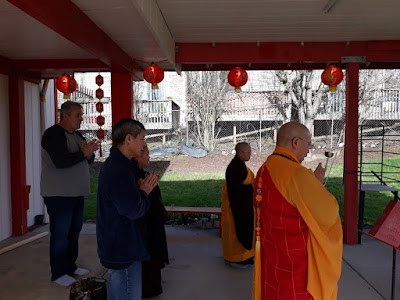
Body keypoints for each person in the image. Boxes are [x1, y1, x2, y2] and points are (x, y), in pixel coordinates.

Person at [253, 122, 343, 300]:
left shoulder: (265, 168)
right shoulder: (296, 174)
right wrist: (317, 187)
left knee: (274, 291)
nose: (308, 151)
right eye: (307, 145)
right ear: (295, 142)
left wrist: (313, 186)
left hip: (273, 251)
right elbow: (328, 213)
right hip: (297, 259)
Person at [96, 119, 158, 300]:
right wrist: (144, 192)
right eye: (142, 139)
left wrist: (138, 191)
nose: (144, 144)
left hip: (121, 243)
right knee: (127, 292)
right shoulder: (118, 170)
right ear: (129, 139)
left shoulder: (123, 165)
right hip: (121, 247)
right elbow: (133, 210)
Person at [40, 101, 100, 287]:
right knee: (60, 234)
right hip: (59, 194)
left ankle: (70, 266)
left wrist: (89, 153)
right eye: (77, 115)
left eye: (81, 115)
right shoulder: (53, 134)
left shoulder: (78, 135)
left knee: (74, 232)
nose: (81, 118)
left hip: (75, 193)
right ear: (64, 115)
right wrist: (83, 153)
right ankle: (58, 273)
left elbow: (87, 159)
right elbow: (61, 161)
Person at [135, 145, 169, 298]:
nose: (149, 158)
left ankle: (153, 287)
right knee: (148, 256)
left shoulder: (145, 174)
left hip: (153, 224)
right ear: (137, 156)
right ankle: (147, 288)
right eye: (146, 154)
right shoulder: (135, 177)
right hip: (145, 227)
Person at [221, 142, 255, 268]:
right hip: (235, 207)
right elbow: (237, 190)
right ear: (240, 153)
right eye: (248, 152)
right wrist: (252, 187)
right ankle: (237, 258)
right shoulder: (235, 167)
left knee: (244, 230)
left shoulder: (239, 165)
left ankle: (246, 256)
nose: (250, 155)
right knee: (236, 232)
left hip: (242, 204)